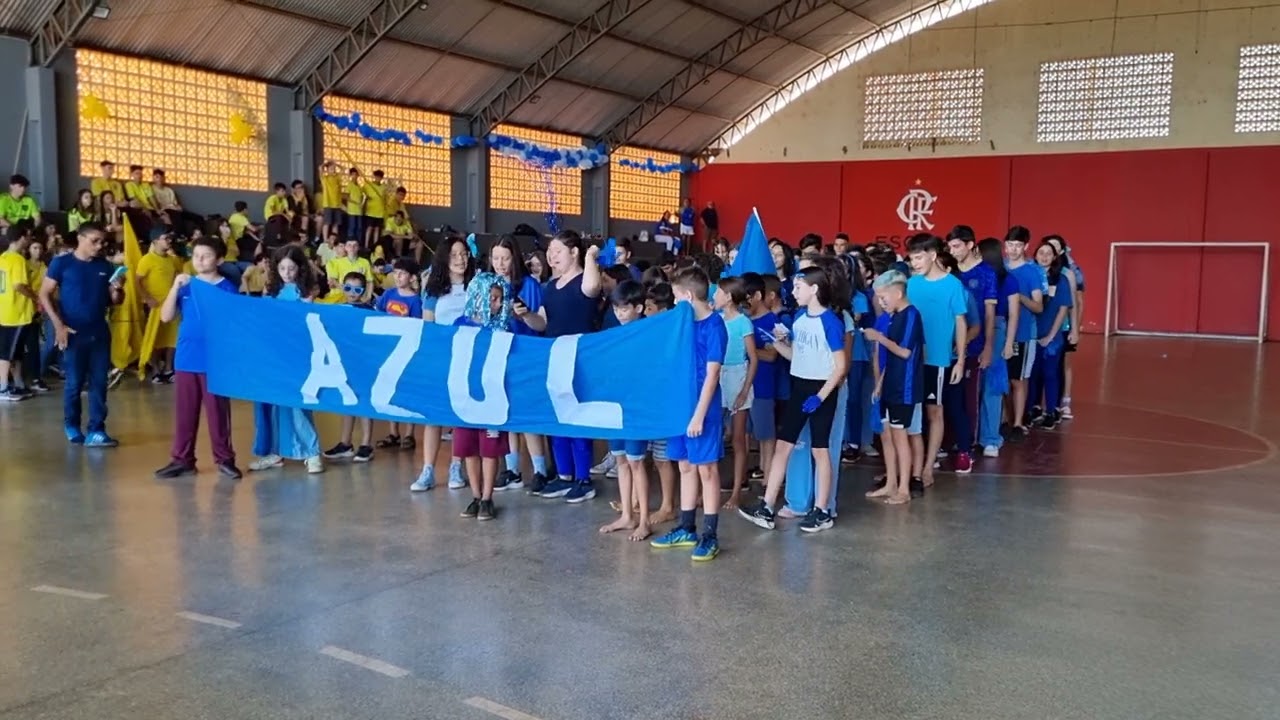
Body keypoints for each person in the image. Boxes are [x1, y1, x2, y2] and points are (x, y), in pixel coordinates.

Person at [738, 265, 848, 533]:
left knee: (820, 450)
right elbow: (796, 356)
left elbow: (840, 366)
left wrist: (821, 397)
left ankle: (822, 511)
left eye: (798, 287)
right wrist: (777, 343)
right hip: (799, 387)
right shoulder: (798, 318)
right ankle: (766, 506)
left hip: (822, 390)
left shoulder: (831, 322)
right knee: (783, 447)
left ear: (814, 289)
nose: (793, 291)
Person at [513, 230, 602, 501]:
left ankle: (584, 478)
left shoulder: (584, 280)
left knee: (576, 419)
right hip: (555, 358)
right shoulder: (549, 287)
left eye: (558, 250)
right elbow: (543, 322)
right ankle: (564, 476)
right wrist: (526, 314)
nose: (551, 256)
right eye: (549, 251)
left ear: (574, 252)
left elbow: (592, 287)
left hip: (580, 360)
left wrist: (590, 256)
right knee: (558, 419)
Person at [649, 267, 728, 561]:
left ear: (689, 296)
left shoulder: (714, 326)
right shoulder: (681, 325)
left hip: (702, 411)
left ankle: (710, 533)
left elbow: (712, 374)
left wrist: (698, 415)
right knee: (684, 465)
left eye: (676, 297)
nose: (673, 303)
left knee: (707, 469)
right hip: (678, 407)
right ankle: (686, 527)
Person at [153, 236, 241, 480]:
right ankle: (182, 460)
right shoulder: (186, 286)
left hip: (215, 360)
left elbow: (233, 324)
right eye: (196, 256)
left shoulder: (227, 288)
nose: (200, 260)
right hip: (186, 357)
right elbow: (166, 317)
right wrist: (174, 287)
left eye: (206, 255)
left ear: (220, 259)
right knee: (185, 412)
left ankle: (224, 459)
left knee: (217, 413)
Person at [39, 223, 124, 446]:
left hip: (99, 331)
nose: (99, 245)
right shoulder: (61, 263)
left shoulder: (104, 266)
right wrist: (58, 325)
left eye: (102, 241)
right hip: (73, 332)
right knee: (74, 382)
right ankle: (72, 424)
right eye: (94, 240)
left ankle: (97, 429)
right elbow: (44, 294)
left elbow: (115, 302)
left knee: (99, 382)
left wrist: (117, 289)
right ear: (80, 238)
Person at [249, 245, 324, 474]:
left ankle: (312, 452)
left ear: (300, 268)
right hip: (273, 354)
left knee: (297, 403)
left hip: (297, 354)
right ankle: (274, 452)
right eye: (282, 268)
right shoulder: (272, 290)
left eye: (291, 268)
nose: (286, 273)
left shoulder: (307, 292)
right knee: (270, 404)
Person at [410, 236, 475, 492]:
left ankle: (456, 466)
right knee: (433, 417)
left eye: (464, 254)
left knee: (459, 416)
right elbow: (428, 327)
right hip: (441, 360)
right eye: (455, 254)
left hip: (467, 361)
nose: (460, 259)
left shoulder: (475, 285)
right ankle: (427, 470)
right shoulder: (433, 290)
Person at [904, 233, 967, 493]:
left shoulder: (953, 285)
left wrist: (961, 359)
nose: (915, 263)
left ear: (932, 255)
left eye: (919, 257)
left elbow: (961, 323)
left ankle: (928, 466)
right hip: (911, 358)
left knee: (934, 411)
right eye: (911, 258)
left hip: (939, 359)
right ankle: (908, 468)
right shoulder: (911, 284)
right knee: (910, 414)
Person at [452, 272, 517, 521]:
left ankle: (488, 498)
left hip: (493, 398)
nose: (497, 304)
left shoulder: (504, 328)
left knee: (490, 449)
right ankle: (476, 496)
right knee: (469, 449)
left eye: (500, 299)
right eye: (491, 298)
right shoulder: (461, 324)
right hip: (466, 397)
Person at [488, 235, 549, 491]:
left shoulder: (528, 285)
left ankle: (540, 470)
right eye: (495, 258)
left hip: (524, 354)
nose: (500, 264)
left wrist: (521, 315)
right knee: (506, 414)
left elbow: (539, 324)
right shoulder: (488, 284)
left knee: (527, 415)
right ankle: (512, 469)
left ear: (515, 258)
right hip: (497, 354)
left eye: (505, 258)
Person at [863, 269, 923, 504]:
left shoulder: (911, 315)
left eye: (883, 297)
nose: (881, 302)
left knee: (901, 437)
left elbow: (905, 352)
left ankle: (904, 489)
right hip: (890, 384)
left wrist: (878, 337)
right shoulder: (895, 316)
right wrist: (880, 382)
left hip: (905, 388)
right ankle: (891, 484)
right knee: (887, 434)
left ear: (897, 293)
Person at [945, 225, 996, 474]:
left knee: (968, 397)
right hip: (943, 350)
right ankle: (948, 441)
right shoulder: (950, 273)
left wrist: (987, 347)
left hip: (972, 347)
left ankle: (969, 444)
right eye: (950, 247)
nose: (953, 251)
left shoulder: (985, 273)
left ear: (970, 244)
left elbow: (987, 315)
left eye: (957, 246)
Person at [365, 259, 422, 457]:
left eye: (402, 274)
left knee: (407, 390)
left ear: (412, 277)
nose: (398, 277)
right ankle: (393, 432)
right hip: (387, 349)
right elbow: (378, 316)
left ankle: (409, 433)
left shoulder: (415, 301)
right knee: (390, 388)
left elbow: (417, 326)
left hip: (405, 350)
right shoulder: (388, 294)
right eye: (395, 273)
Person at [714, 275, 757, 510]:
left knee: (739, 439)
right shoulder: (717, 319)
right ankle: (710, 489)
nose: (714, 296)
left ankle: (737, 492)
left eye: (719, 293)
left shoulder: (743, 322)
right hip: (718, 374)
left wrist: (744, 390)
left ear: (728, 297)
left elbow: (753, 359)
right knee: (716, 435)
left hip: (738, 375)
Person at [977, 238, 1019, 458]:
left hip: (992, 327)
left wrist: (1009, 342)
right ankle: (988, 439)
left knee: (990, 384)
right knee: (988, 386)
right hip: (988, 326)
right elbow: (1013, 314)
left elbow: (1013, 313)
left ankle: (989, 437)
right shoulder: (1004, 278)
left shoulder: (1005, 279)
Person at [1004, 226, 1046, 441]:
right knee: (1003, 380)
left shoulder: (1032, 272)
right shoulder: (1001, 268)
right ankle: (1005, 419)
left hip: (1024, 333)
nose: (1013, 249)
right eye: (1010, 244)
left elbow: (1039, 307)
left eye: (1018, 245)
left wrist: (1019, 296)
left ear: (1026, 246)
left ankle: (1019, 422)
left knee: (1018, 380)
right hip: (1003, 332)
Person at [1027, 240, 1074, 430]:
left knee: (1050, 373)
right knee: (1031, 374)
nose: (1044, 256)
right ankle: (1031, 409)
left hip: (1052, 336)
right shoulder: (1031, 277)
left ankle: (1052, 410)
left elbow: (1063, 309)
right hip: (1031, 334)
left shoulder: (1060, 279)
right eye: (1041, 253)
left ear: (1055, 257)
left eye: (1048, 253)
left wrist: (1050, 336)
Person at [0, 223, 39, 401]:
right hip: (15, 312)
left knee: (15, 352)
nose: (29, 240)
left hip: (5, 309)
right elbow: (18, 285)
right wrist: (34, 296)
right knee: (6, 352)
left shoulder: (3, 258)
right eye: (28, 237)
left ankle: (18, 384)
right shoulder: (17, 260)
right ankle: (3, 388)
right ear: (22, 238)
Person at [135, 232, 179, 383]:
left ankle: (168, 368)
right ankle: (155, 370)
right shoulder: (146, 260)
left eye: (169, 238)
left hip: (170, 304)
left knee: (172, 338)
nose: (169, 241)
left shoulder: (172, 260)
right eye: (165, 238)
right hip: (154, 305)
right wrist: (147, 298)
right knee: (154, 337)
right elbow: (137, 281)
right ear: (155, 240)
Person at [0, 174, 41, 240]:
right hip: (10, 229)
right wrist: (16, 229)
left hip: (26, 229)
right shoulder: (3, 199)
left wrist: (33, 228)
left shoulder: (29, 200)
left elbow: (37, 219)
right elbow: (0, 220)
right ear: (11, 186)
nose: (23, 189)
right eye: (20, 186)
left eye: (25, 187)